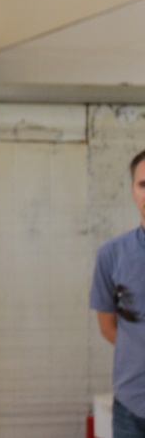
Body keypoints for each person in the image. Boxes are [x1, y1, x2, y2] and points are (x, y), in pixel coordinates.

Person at [91, 148, 145, 437]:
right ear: (133, 191)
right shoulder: (112, 254)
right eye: (143, 185)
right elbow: (108, 327)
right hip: (130, 405)